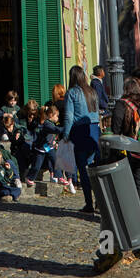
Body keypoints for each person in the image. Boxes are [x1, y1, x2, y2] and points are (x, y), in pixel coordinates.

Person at [113, 79, 140, 216]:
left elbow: (116, 128)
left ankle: (130, 214)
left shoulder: (123, 104)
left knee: (128, 182)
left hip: (132, 148)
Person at [62, 65, 101, 214]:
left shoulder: (72, 93)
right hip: (94, 131)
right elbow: (97, 113)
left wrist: (66, 134)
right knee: (94, 168)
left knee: (83, 169)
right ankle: (99, 200)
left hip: (79, 131)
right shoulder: (92, 92)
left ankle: (89, 203)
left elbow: (69, 116)